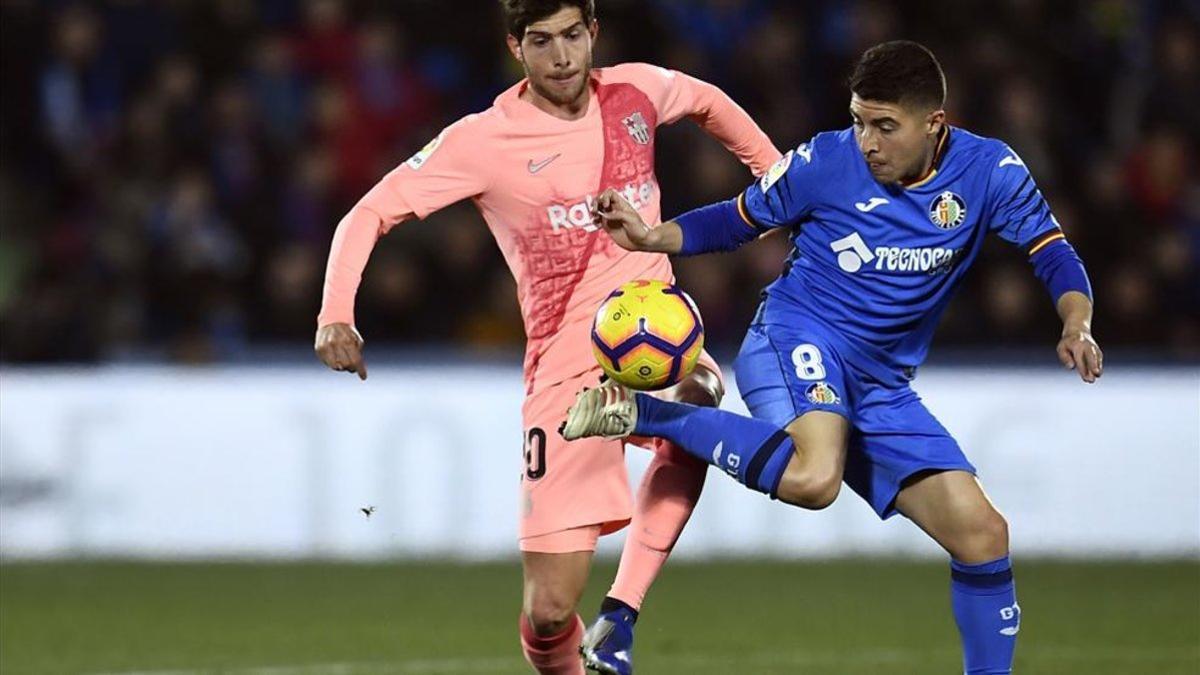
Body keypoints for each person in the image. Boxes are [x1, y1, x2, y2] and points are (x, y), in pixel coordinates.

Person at [563, 40, 1103, 674]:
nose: (867, 140)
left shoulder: (991, 172)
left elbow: (1051, 249)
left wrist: (1078, 321)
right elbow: (738, 219)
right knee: (815, 478)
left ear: (935, 124)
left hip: (882, 383)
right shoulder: (823, 160)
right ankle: (643, 415)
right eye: (858, 120)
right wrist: (656, 236)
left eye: (884, 125)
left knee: (983, 535)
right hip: (797, 338)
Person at [313, 2, 781, 673]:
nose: (561, 57)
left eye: (571, 37)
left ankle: (621, 617)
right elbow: (368, 212)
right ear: (516, 47)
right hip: (564, 368)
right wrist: (337, 311)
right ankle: (577, 652)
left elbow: (706, 100)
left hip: (654, 329)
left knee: (700, 395)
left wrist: (777, 182)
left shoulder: (634, 92)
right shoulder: (482, 140)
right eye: (541, 42)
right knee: (550, 610)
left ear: (592, 32)